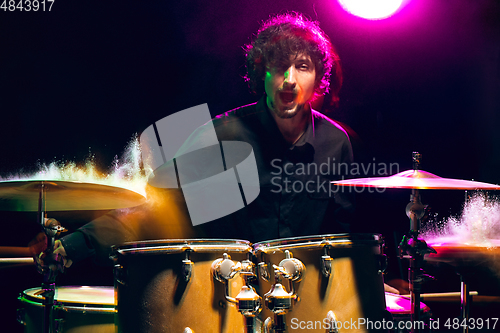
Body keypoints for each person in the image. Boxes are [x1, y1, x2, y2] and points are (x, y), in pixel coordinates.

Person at [36, 12, 356, 272]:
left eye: (302, 67)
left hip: (305, 304)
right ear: (263, 75)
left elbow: (347, 237)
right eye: (279, 66)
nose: (289, 79)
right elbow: (154, 210)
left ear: (318, 79)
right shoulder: (221, 136)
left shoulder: (334, 143)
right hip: (226, 298)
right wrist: (73, 246)